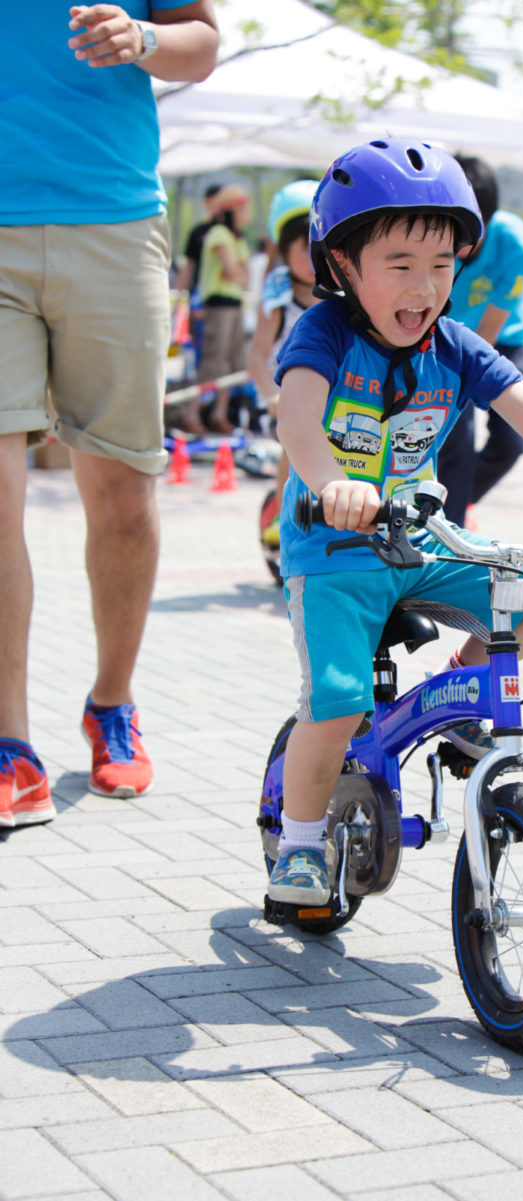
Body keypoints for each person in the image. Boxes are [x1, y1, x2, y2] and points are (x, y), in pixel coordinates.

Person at [265, 137, 523, 905]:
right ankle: (303, 845)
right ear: (343, 265)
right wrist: (332, 483)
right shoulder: (324, 335)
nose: (425, 287)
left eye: (443, 266)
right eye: (401, 265)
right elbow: (300, 424)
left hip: (419, 541)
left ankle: (459, 695)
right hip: (334, 548)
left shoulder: (456, 346)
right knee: (340, 700)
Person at [0, 3, 219, 829]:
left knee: (124, 503)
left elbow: (200, 47)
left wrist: (148, 39)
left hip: (115, 222)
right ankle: (8, 742)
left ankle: (112, 703)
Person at [436, 155, 523, 526]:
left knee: (511, 442)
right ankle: (448, 529)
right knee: (453, 442)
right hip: (442, 340)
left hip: (504, 338)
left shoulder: (515, 245)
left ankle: (440, 511)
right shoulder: (428, 238)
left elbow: (490, 331)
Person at [247, 180, 320, 568]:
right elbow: (258, 355)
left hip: (338, 392)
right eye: (300, 249)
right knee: (295, 449)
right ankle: (282, 516)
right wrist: (269, 397)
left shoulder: (344, 290)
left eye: (317, 248)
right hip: (289, 391)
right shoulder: (277, 292)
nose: (310, 259)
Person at [186, 183, 252, 434]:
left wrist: (236, 274)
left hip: (234, 304)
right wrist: (236, 273)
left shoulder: (235, 238)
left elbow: (238, 274)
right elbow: (232, 271)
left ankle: (218, 413)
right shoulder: (219, 235)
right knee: (213, 363)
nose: (247, 213)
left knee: (234, 364)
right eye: (243, 208)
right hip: (218, 305)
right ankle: (190, 413)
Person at [174, 182, 222, 295]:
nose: (213, 208)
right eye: (210, 203)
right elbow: (189, 265)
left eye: (217, 203)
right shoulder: (198, 232)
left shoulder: (231, 232)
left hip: (222, 294)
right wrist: (179, 292)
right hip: (199, 291)